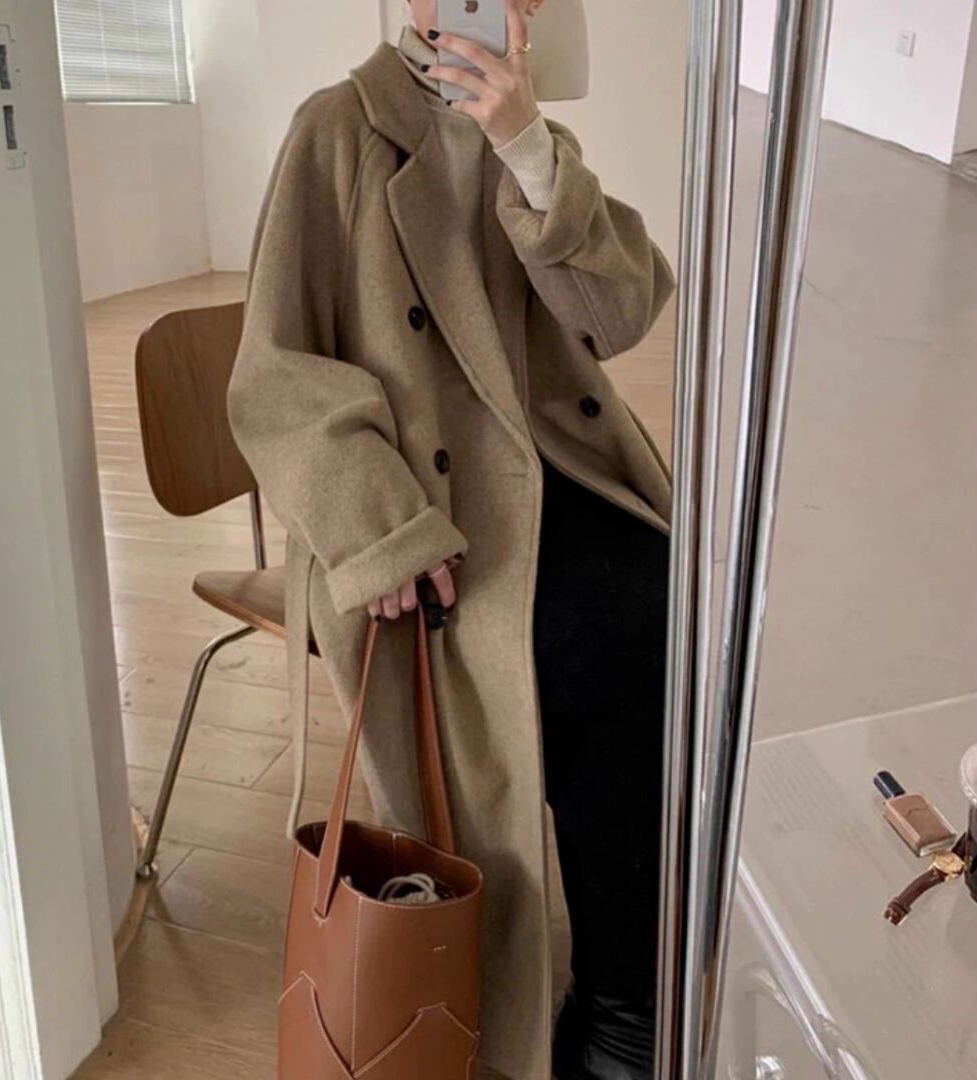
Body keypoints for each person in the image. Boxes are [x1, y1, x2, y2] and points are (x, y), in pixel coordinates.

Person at [227, 2, 674, 1077]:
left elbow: (619, 319)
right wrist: (377, 526)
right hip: (414, 504)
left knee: (663, 597)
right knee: (588, 641)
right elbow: (273, 373)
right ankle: (613, 1015)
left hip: (543, 469)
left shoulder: (532, 135)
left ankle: (626, 989)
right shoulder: (338, 128)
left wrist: (528, 148)